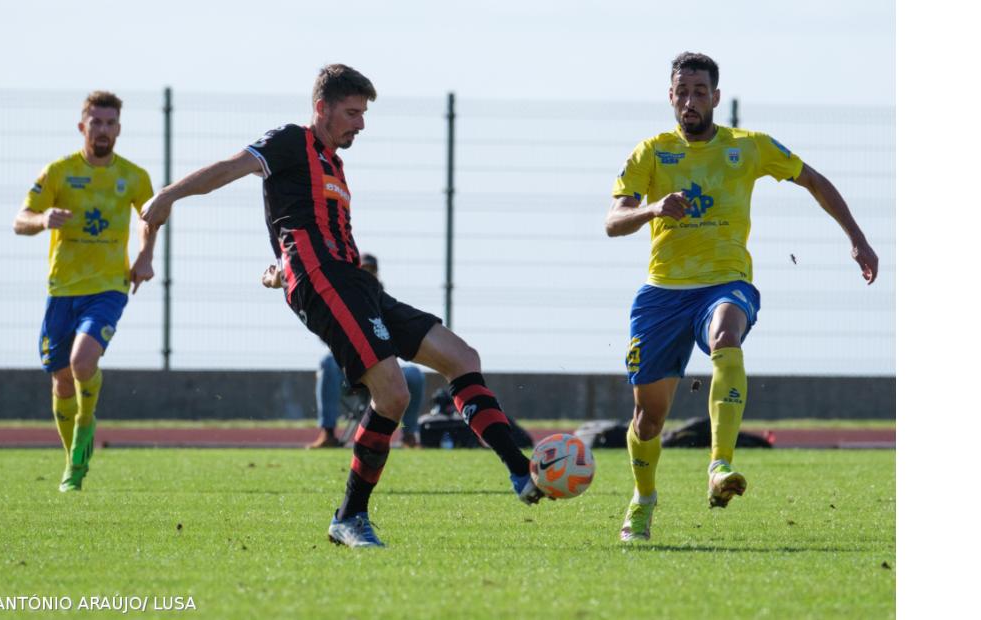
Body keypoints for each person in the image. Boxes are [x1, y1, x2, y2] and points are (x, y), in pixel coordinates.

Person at [143, 64, 542, 548]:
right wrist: (169, 196)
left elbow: (294, 224)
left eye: (363, 113)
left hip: (356, 282)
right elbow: (231, 169)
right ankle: (350, 517)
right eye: (352, 113)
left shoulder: (333, 165)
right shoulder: (290, 140)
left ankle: (522, 472)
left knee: (462, 358)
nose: (361, 124)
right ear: (321, 109)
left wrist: (279, 267)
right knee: (393, 395)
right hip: (325, 281)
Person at [604, 53, 878, 542]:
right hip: (662, 294)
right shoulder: (650, 152)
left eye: (699, 92)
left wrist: (856, 237)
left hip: (726, 282)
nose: (690, 101)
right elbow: (612, 222)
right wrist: (652, 210)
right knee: (648, 420)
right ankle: (643, 499)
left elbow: (812, 179)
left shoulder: (748, 148)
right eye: (681, 91)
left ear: (716, 97)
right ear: (670, 96)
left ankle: (719, 466)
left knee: (728, 336)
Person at [13, 91, 157, 492]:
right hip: (62, 290)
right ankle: (71, 462)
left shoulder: (133, 176)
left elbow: (152, 216)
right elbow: (19, 219)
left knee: (82, 362)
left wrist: (144, 257)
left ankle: (84, 427)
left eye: (111, 123)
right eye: (97, 122)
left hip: (109, 288)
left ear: (119, 129)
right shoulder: (59, 172)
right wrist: (42, 219)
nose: (104, 130)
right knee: (60, 380)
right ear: (83, 126)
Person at [307, 253, 425, 449]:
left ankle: (409, 434)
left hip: (384, 368)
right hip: (350, 371)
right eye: (364, 270)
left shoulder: (383, 301)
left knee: (414, 375)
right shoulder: (340, 296)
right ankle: (327, 432)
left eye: (372, 271)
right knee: (327, 363)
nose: (368, 274)